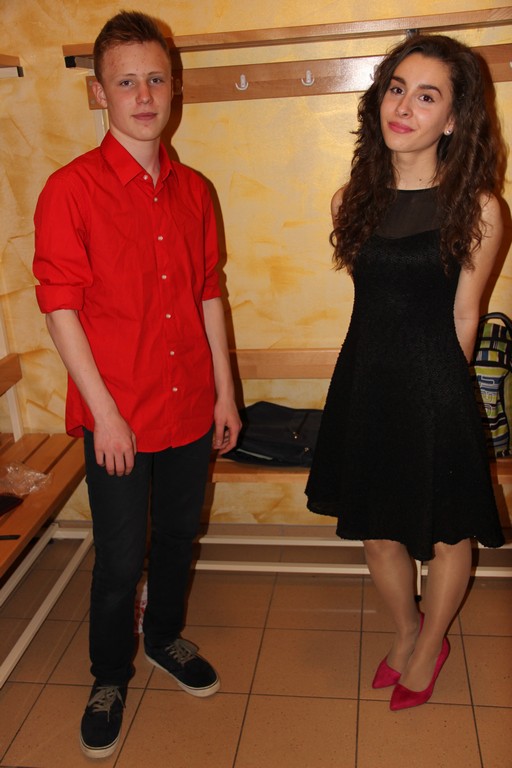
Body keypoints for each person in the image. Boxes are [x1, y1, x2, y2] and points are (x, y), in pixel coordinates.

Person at [33, 10, 241, 758]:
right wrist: (105, 415)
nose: (144, 96)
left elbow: (208, 293)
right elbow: (60, 308)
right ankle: (109, 674)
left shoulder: (196, 191)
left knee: (180, 536)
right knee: (121, 557)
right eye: (126, 83)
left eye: (156, 79)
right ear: (100, 93)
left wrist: (225, 393)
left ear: (174, 87)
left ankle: (164, 638)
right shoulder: (70, 190)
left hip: (190, 406)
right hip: (117, 415)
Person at [305, 34, 505, 711]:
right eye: (396, 89)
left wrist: (446, 398)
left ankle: (432, 642)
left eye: (426, 96)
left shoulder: (478, 207)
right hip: (366, 382)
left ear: (452, 119)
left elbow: (465, 314)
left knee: (448, 534)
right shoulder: (351, 200)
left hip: (435, 386)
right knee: (377, 530)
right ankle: (406, 630)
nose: (404, 107)